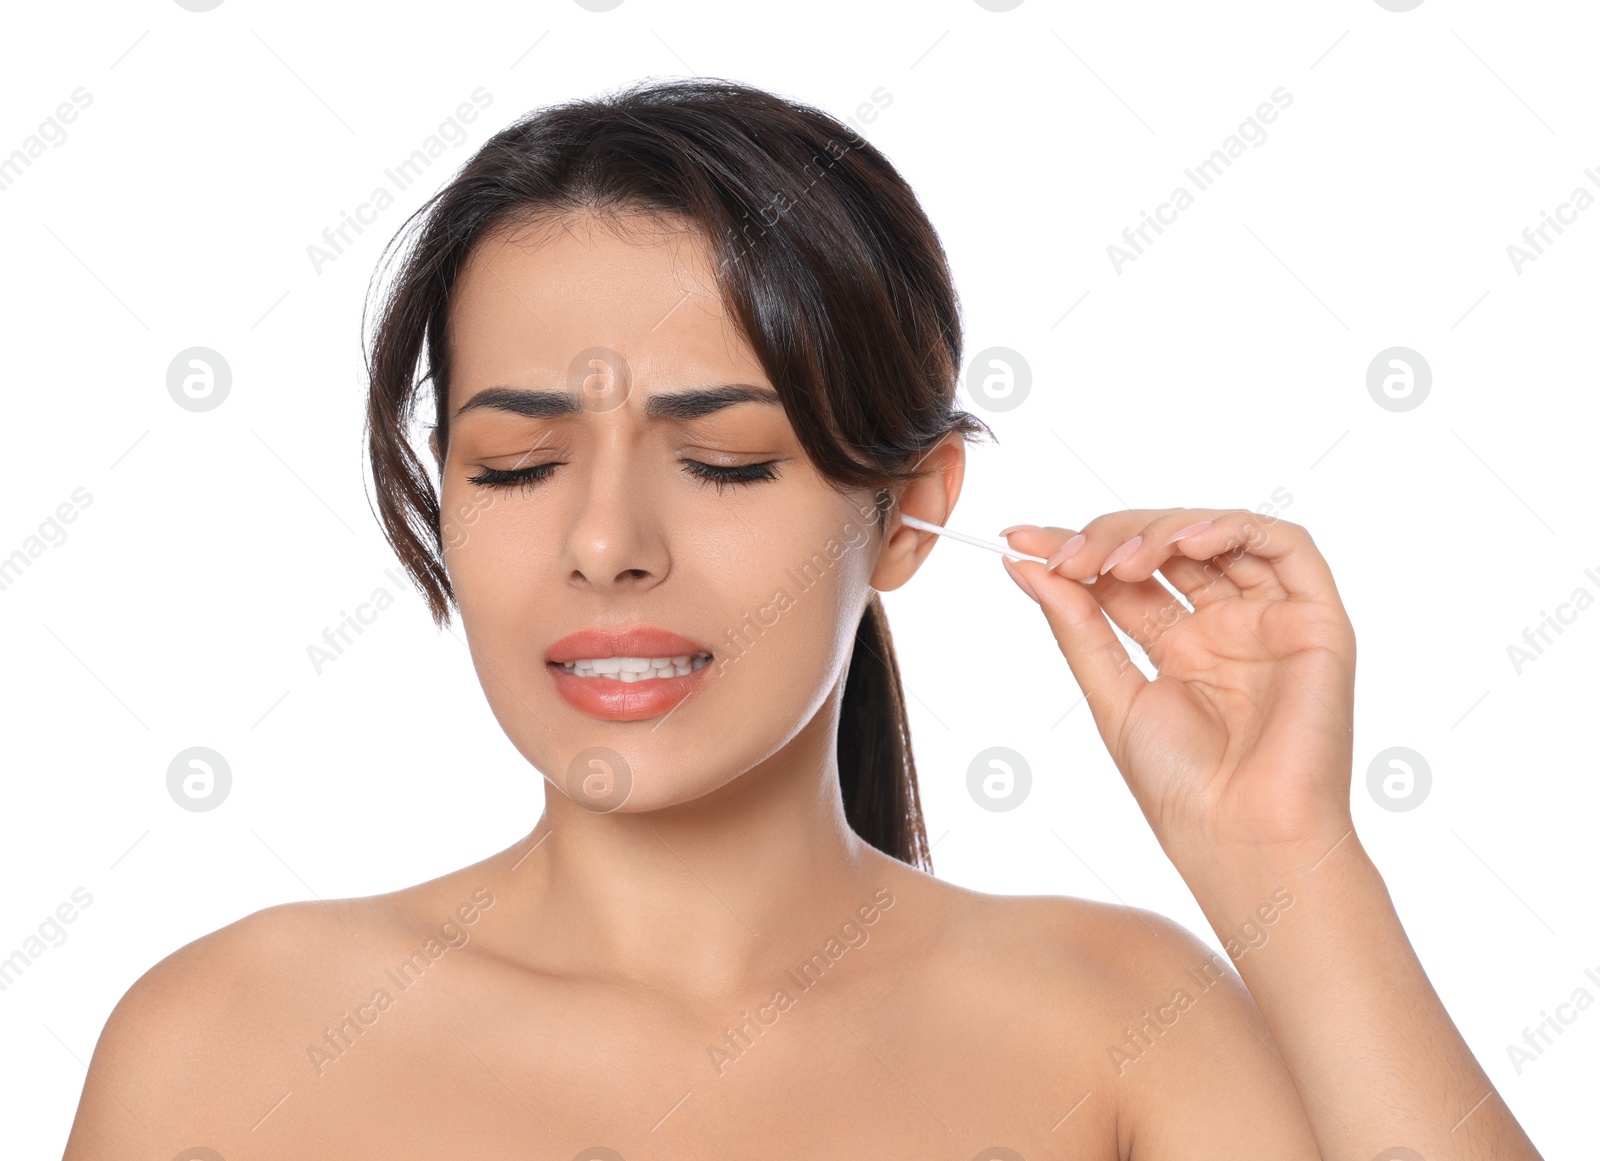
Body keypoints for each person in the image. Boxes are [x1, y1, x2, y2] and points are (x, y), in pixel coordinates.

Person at [62, 76, 1542, 1160]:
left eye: (720, 461)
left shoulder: (1117, 1023)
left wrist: (1288, 859)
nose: (604, 544)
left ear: (907, 510)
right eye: (515, 466)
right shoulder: (221, 1043)